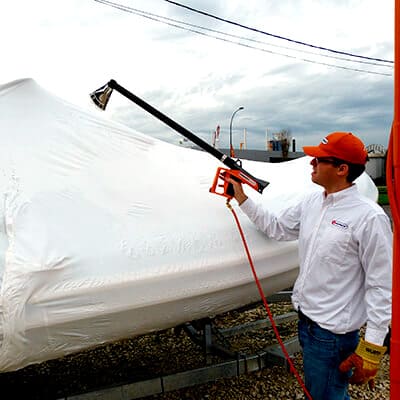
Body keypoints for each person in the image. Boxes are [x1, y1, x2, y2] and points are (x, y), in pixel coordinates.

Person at [227, 132, 392, 400]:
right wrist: (243, 199)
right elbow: (278, 228)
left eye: (319, 159)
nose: (311, 163)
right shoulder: (313, 202)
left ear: (342, 169)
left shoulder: (369, 218)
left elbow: (381, 286)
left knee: (325, 394)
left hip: (332, 336)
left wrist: (371, 349)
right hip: (307, 323)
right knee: (324, 391)